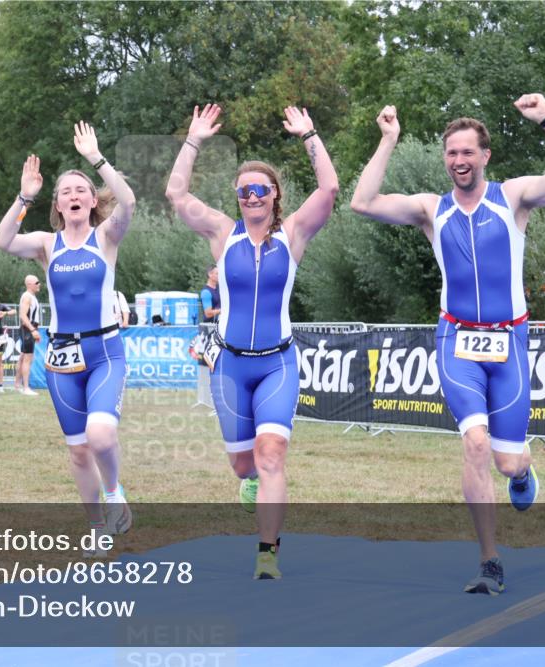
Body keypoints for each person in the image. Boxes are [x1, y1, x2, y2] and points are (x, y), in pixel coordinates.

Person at [350, 94, 545, 595]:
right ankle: (489, 561)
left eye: (468, 152)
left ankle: (523, 474)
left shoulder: (514, 197)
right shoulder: (430, 209)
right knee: (475, 443)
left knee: (509, 461)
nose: (459, 161)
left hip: (509, 342)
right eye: (452, 153)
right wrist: (389, 140)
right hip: (456, 340)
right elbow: (363, 202)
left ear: (485, 156)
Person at [166, 104, 338, 579]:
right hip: (231, 368)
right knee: (244, 466)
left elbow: (329, 189)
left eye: (260, 189)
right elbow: (176, 193)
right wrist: (194, 139)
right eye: (244, 191)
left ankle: (268, 552)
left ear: (275, 194)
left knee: (271, 455)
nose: (252, 196)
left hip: (277, 365)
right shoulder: (223, 233)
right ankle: (248, 483)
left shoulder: (294, 234)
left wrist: (309, 134)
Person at [0, 121, 136, 545]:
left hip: (105, 350)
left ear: (93, 201)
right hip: (61, 357)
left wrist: (96, 158)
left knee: (101, 434)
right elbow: (2, 240)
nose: (74, 196)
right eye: (66, 192)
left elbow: (127, 202)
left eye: (81, 190)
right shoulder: (46, 244)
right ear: (57, 205)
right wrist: (24, 197)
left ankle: (114, 492)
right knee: (78, 450)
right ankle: (96, 527)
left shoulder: (106, 236)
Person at [15, 274, 42, 396]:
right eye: (37, 283)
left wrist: (35, 330)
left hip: (28, 329)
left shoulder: (30, 296)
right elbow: (23, 315)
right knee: (27, 359)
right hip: (27, 329)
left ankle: (17, 385)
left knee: (22, 358)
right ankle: (26, 387)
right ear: (30, 284)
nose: (39, 284)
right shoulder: (27, 296)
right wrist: (32, 330)